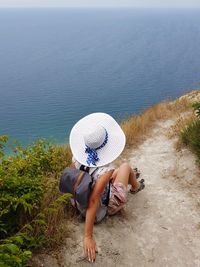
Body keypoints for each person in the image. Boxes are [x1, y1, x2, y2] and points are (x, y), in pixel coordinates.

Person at [69, 112, 145, 263]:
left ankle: (131, 177)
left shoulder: (76, 157)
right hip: (99, 209)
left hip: (78, 203)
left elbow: (80, 179)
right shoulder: (105, 170)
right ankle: (135, 187)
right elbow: (93, 200)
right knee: (125, 166)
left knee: (109, 176)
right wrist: (88, 236)